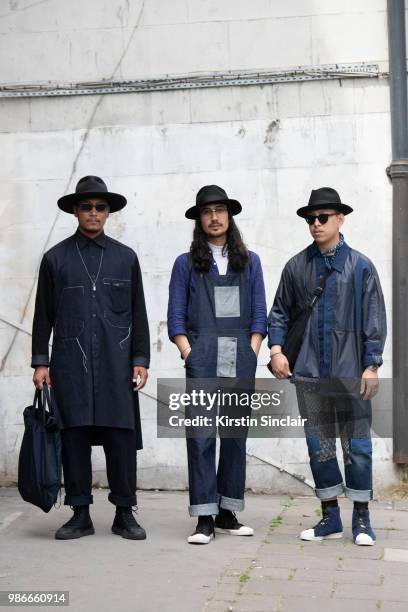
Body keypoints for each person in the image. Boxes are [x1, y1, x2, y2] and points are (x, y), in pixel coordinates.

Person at [31, 175, 150, 541]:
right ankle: (79, 513)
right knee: (74, 437)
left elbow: (138, 312)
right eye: (87, 207)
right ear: (75, 211)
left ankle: (124, 513)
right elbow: (43, 315)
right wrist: (41, 361)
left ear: (109, 212)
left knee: (121, 437)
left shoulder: (125, 258)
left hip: (116, 365)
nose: (94, 213)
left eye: (100, 207)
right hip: (71, 364)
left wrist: (141, 358)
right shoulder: (55, 260)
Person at [268, 187, 386, 546]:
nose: (316, 224)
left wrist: (372, 365)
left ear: (340, 219)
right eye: (310, 219)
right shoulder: (296, 266)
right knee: (319, 445)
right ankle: (330, 517)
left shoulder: (361, 266)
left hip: (351, 374)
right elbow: (279, 313)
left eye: (323, 218)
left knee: (358, 446)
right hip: (308, 374)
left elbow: (374, 318)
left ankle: (362, 519)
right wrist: (276, 351)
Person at [167, 185, 267, 544]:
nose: (214, 217)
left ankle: (228, 512)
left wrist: (253, 349)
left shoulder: (250, 261)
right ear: (199, 219)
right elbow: (175, 316)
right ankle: (204, 516)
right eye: (207, 211)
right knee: (201, 435)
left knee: (235, 436)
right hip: (204, 357)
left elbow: (259, 313)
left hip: (239, 355)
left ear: (229, 215)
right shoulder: (186, 263)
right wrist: (188, 351)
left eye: (220, 209)